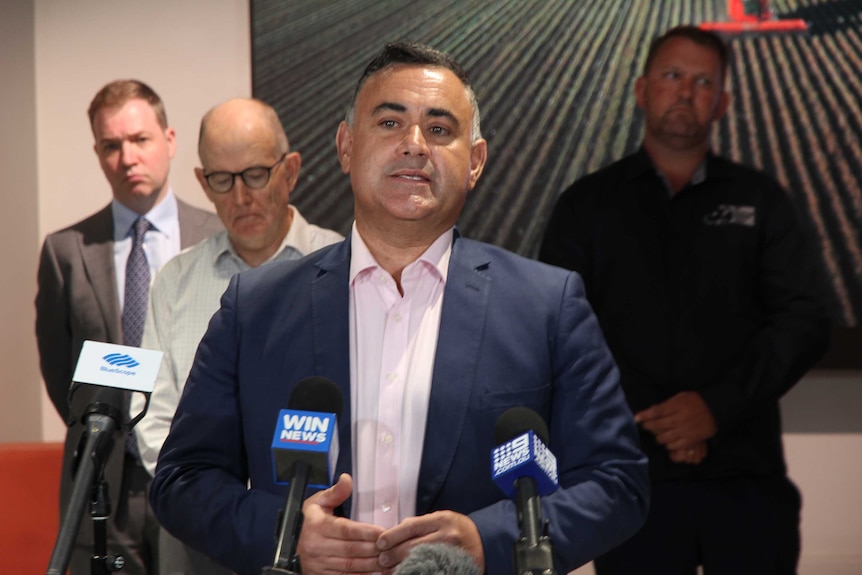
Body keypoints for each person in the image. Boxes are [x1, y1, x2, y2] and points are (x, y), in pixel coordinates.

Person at [151, 42, 649, 575]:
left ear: (475, 161)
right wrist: (287, 532)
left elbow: (617, 485)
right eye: (389, 123)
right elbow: (184, 479)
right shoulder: (255, 308)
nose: (414, 145)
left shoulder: (547, 306)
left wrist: (489, 540)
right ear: (346, 146)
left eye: (439, 130)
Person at [539, 25, 832, 575]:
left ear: (721, 103)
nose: (686, 92)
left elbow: (806, 318)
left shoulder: (759, 200)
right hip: (628, 484)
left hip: (747, 481)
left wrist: (715, 408)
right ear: (642, 90)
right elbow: (559, 329)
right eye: (672, 75)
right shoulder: (588, 205)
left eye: (703, 82)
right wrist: (663, 420)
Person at [131, 97, 343, 573]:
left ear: (290, 171)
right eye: (222, 180)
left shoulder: (344, 265)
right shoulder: (175, 280)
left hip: (325, 532)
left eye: (255, 175)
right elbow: (151, 415)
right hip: (200, 533)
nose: (241, 197)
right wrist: (217, 505)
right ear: (203, 182)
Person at [35, 79, 222, 575]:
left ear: (170, 140)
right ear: (97, 152)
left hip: (196, 472)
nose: (127, 158)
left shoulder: (219, 237)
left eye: (140, 140)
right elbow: (61, 373)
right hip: (104, 482)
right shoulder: (67, 251)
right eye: (112, 145)